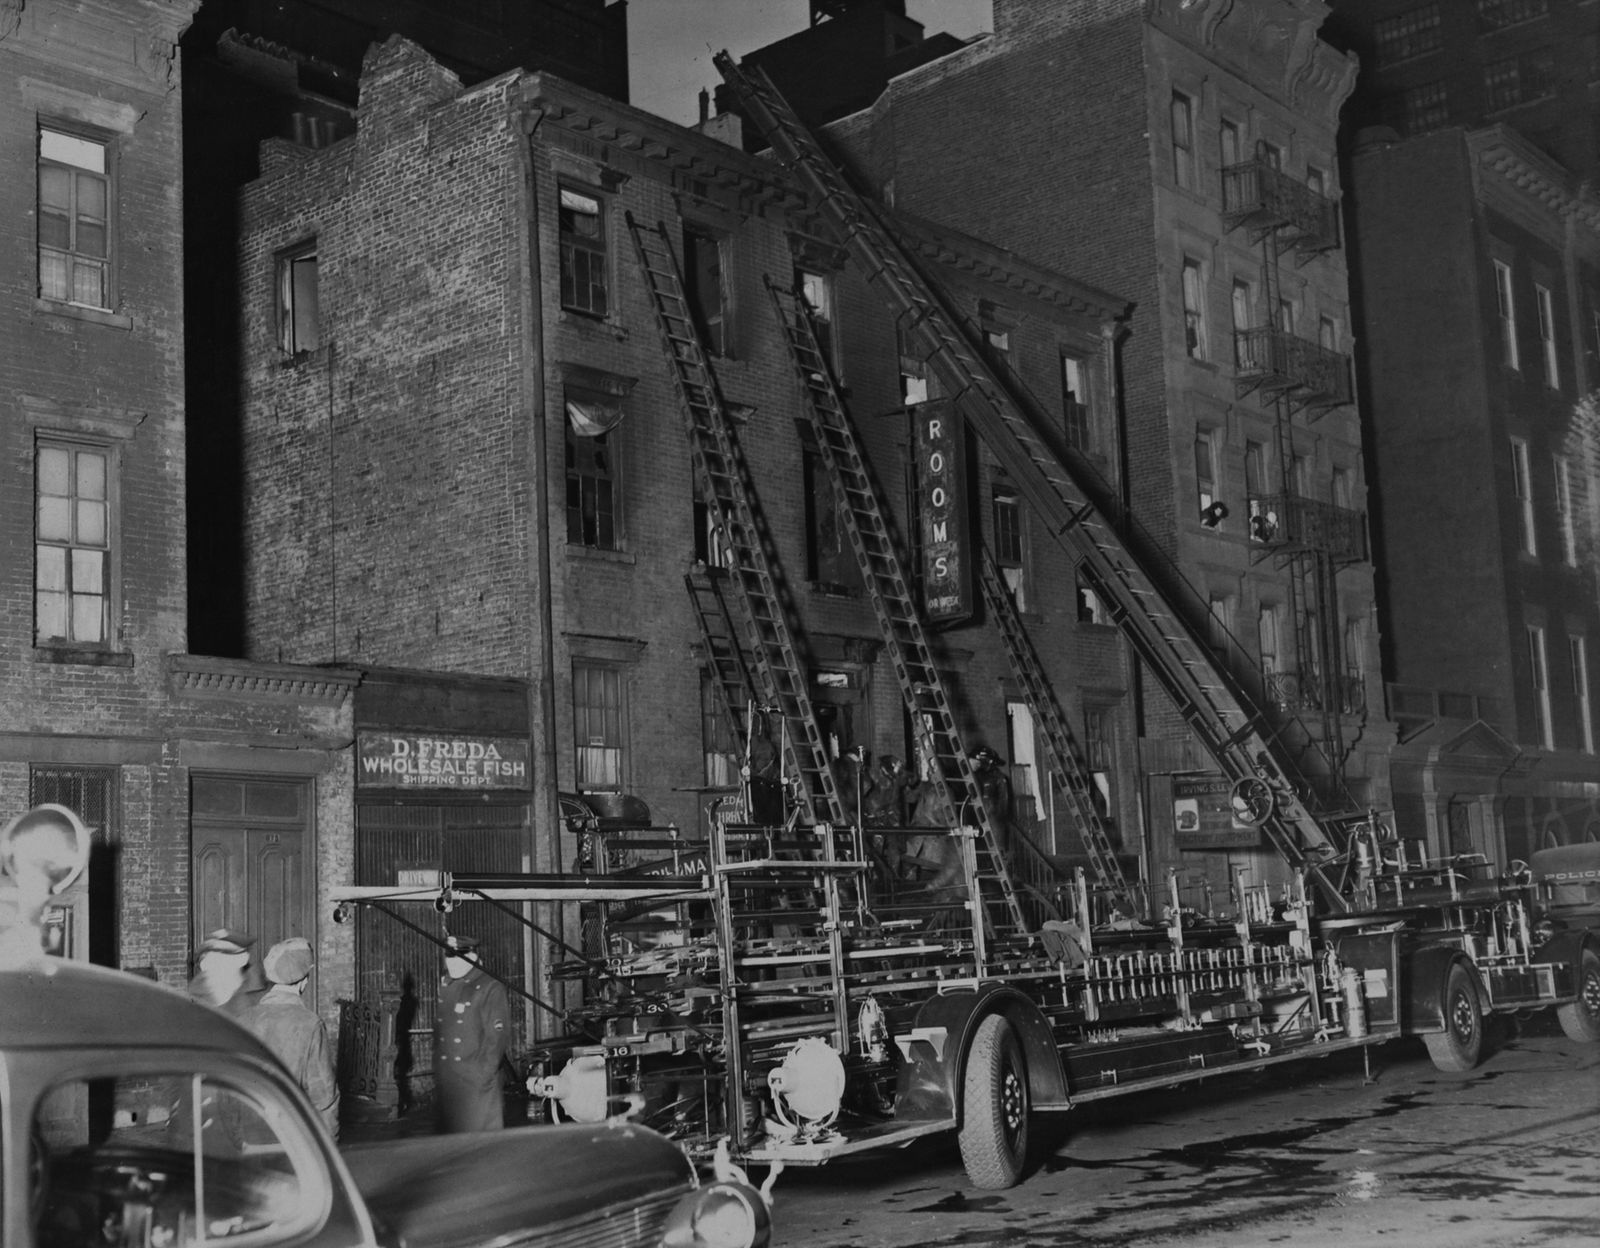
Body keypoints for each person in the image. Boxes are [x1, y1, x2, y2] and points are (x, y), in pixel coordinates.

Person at [240, 937, 340, 1138]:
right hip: (293, 1139)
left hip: (247, 1138)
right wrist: (328, 1151)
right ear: (305, 981)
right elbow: (323, 1099)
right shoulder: (310, 1024)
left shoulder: (243, 1019)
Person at [432, 934, 511, 1133]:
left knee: (479, 1148)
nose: (451, 962)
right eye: (448, 956)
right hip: (449, 1085)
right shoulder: (447, 985)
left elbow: (497, 1038)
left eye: (457, 956)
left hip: (476, 1085)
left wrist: (482, 1074)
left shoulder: (489, 987)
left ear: (472, 956)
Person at [189, 928, 267, 1019]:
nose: (209, 964)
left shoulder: (267, 997)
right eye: (204, 958)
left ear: (242, 959)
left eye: (218, 958)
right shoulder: (191, 999)